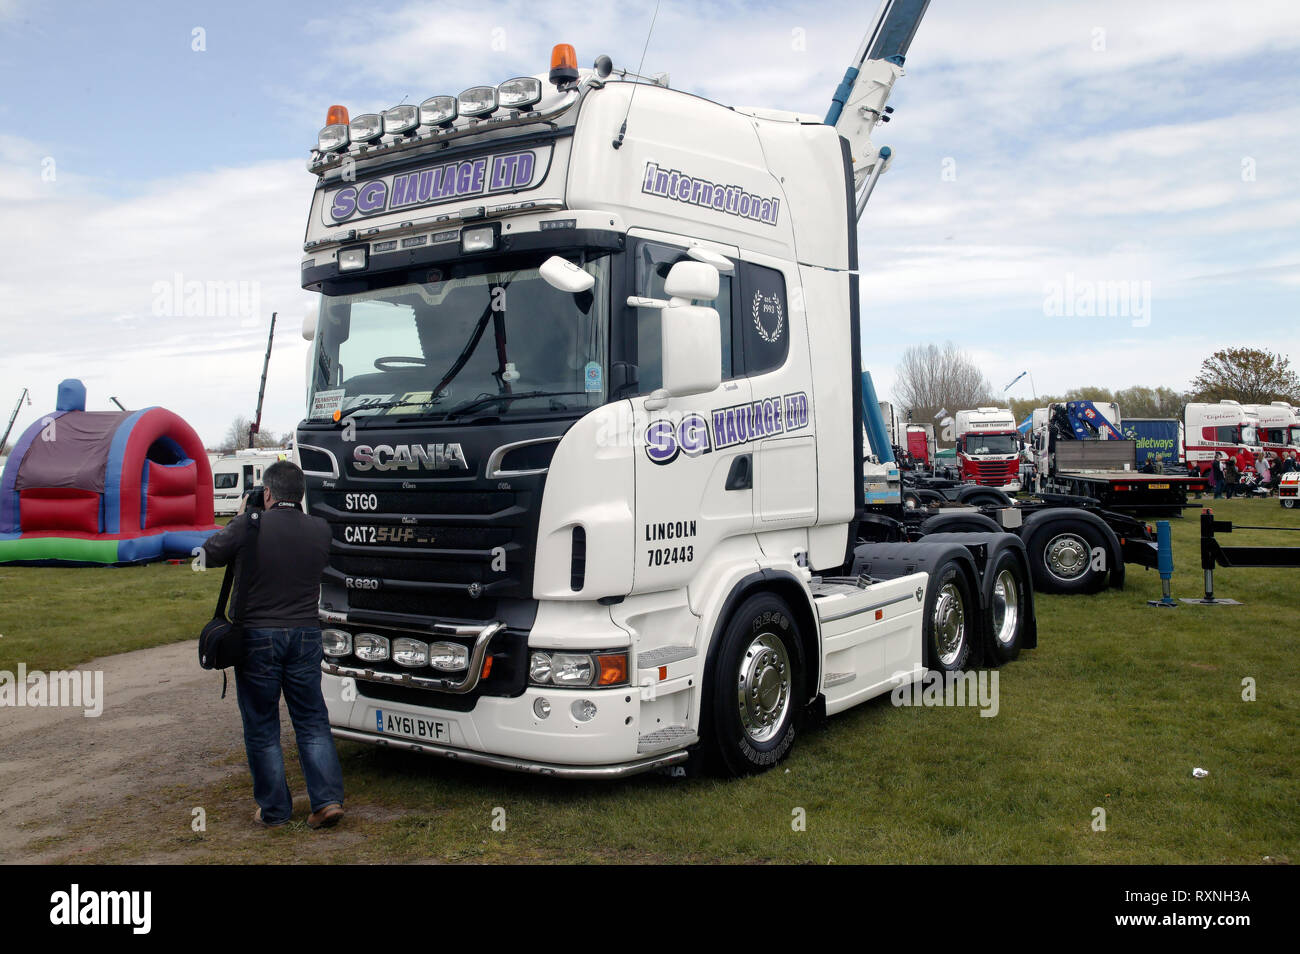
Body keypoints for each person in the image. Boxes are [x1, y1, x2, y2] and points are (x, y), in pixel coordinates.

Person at [202, 460, 344, 830]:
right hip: (305, 633)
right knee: (312, 721)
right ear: (300, 494)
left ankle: (275, 810)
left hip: (257, 637)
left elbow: (210, 554)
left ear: (267, 492)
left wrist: (244, 517)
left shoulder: (251, 525)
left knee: (262, 726)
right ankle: (327, 800)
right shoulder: (320, 529)